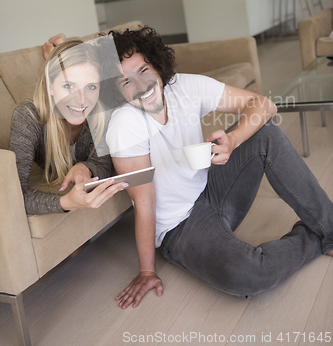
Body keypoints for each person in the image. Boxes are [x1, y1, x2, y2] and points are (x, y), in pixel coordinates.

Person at [104, 26, 333, 310]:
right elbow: (144, 202)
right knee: (251, 274)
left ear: (156, 63)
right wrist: (147, 271)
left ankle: (330, 226)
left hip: (212, 190)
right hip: (181, 228)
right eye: (125, 81)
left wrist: (233, 140)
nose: (140, 86)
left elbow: (263, 105)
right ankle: (319, 235)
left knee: (265, 132)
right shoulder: (124, 125)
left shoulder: (184, 87)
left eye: (143, 70)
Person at [9, 38, 128, 215]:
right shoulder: (28, 117)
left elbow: (102, 164)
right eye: (68, 85)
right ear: (50, 86)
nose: (81, 100)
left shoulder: (102, 113)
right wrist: (65, 202)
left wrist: (85, 167)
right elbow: (12, 195)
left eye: (91, 87)